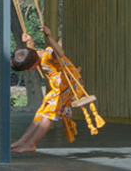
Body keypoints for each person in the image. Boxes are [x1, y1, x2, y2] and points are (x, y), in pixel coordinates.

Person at [10, 25, 80, 153]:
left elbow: (60, 53)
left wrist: (49, 36)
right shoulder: (35, 55)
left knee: (48, 115)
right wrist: (30, 41)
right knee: (40, 113)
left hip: (68, 88)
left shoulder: (48, 55)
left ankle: (31, 144)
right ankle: (23, 141)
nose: (29, 70)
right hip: (59, 89)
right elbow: (31, 52)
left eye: (28, 68)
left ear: (33, 64)